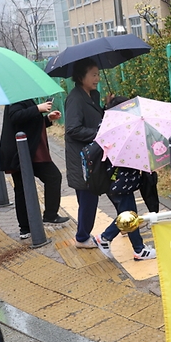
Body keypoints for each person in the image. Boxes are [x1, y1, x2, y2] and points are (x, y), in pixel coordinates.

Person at [95, 96, 157, 261]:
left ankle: (107, 239)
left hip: (112, 181)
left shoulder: (107, 127)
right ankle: (136, 248)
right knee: (129, 216)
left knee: (125, 214)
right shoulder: (123, 130)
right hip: (121, 183)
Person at [0, 98, 68, 239]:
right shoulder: (16, 96)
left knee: (22, 188)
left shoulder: (21, 96)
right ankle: (47, 216)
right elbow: (15, 116)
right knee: (52, 177)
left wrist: (48, 119)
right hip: (25, 152)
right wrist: (38, 108)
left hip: (24, 151)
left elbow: (29, 123)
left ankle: (26, 228)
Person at [64, 59, 106, 248]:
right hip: (81, 157)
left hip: (92, 155)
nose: (97, 78)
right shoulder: (75, 98)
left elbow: (94, 118)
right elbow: (72, 129)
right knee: (88, 196)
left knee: (90, 196)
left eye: (98, 74)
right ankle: (82, 237)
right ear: (82, 77)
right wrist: (99, 134)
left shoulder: (91, 95)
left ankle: (86, 233)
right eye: (94, 75)